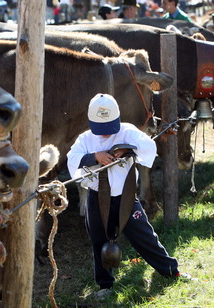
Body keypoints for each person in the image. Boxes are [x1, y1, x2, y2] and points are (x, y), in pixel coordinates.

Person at [67, 94, 186, 300]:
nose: (105, 135)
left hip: (126, 197)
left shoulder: (128, 131)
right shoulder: (85, 139)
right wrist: (95, 157)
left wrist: (127, 149)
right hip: (97, 199)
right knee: (99, 241)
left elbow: (148, 147)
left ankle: (171, 270)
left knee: (145, 237)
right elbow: (72, 160)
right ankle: (105, 285)